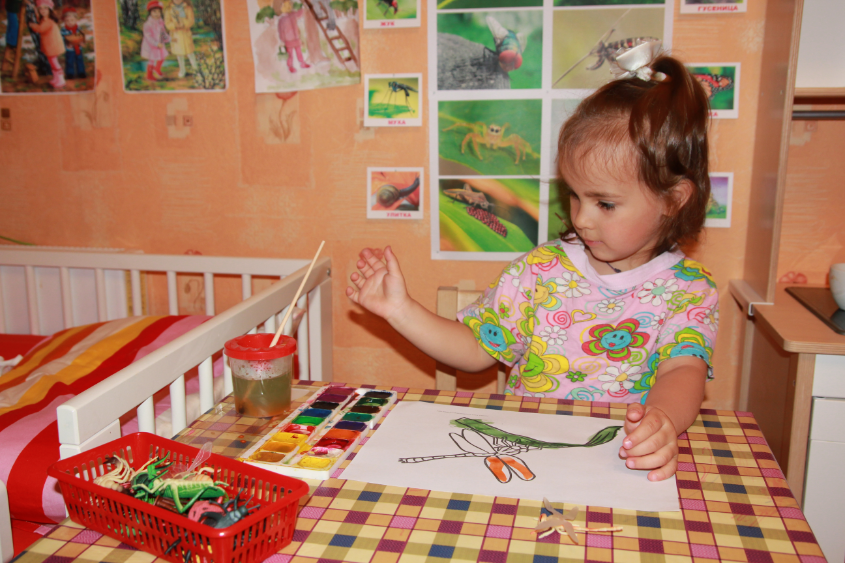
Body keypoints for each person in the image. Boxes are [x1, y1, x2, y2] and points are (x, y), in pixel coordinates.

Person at [346, 42, 718, 482]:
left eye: (605, 203)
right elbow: (475, 350)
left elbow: (683, 370)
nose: (582, 218)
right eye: (575, 196)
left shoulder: (689, 290)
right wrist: (400, 310)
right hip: (524, 462)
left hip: (617, 466)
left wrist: (662, 421)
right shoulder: (541, 270)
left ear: (673, 199)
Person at [28, 0, 64, 88]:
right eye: (40, 9)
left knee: (54, 63)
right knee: (52, 62)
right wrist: (35, 11)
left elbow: (40, 29)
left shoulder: (49, 21)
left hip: (53, 46)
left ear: (49, 10)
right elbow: (39, 20)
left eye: (45, 8)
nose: (43, 10)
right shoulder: (44, 19)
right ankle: (56, 78)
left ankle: (61, 79)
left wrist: (32, 25)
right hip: (49, 46)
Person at [273, 0, 310, 74]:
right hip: (288, 40)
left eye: (289, 5)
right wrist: (282, 41)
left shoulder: (293, 14)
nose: (288, 7)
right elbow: (281, 31)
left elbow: (299, 13)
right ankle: (290, 66)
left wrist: (303, 7)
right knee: (290, 54)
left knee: (299, 52)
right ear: (281, 8)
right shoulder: (281, 20)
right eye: (285, 6)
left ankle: (302, 63)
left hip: (296, 38)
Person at [164, 0, 196, 79]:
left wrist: (184, 23)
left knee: (190, 53)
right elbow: (167, 23)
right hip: (176, 35)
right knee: (179, 54)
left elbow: (191, 20)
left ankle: (196, 69)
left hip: (186, 34)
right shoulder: (169, 10)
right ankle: (182, 70)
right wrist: (175, 25)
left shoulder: (188, 8)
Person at [141, 0, 170, 81]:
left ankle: (157, 68)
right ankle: (149, 75)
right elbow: (148, 37)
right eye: (154, 11)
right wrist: (156, 43)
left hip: (160, 43)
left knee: (163, 56)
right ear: (150, 12)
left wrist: (169, 38)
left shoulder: (160, 22)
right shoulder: (147, 24)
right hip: (151, 45)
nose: (157, 14)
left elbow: (163, 33)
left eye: (159, 12)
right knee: (152, 59)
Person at [60, 6, 86, 80]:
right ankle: (70, 73)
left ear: (76, 20)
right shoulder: (64, 30)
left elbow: (82, 36)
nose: (70, 22)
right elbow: (62, 39)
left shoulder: (79, 28)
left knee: (79, 60)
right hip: (69, 49)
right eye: (67, 21)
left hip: (78, 48)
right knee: (69, 61)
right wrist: (67, 43)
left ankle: (81, 72)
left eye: (72, 20)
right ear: (64, 21)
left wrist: (82, 42)